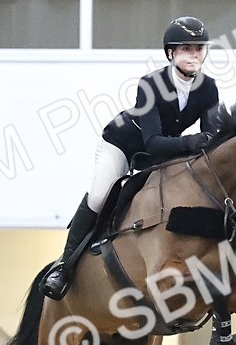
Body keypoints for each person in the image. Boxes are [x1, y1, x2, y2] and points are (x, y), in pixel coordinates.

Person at [40, 16, 221, 300]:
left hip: (162, 154)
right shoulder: (150, 84)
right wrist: (192, 142)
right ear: (171, 53)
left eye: (199, 49)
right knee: (100, 197)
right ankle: (64, 268)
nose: (194, 54)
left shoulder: (208, 88)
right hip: (123, 145)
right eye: (186, 48)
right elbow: (152, 142)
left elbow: (210, 138)